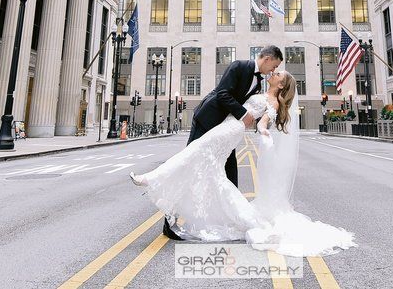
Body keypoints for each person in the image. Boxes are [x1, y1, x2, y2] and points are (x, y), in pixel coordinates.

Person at [130, 70, 355, 257]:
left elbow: (263, 123)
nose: (274, 73)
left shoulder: (273, 102)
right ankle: (245, 218)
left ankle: (149, 178)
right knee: (214, 174)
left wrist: (264, 131)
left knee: (193, 153)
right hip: (226, 127)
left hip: (230, 131)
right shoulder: (261, 92)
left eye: (279, 74)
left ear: (281, 85)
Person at [148, 46, 283, 240]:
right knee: (189, 167)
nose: (273, 70)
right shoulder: (239, 66)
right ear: (268, 58)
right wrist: (243, 115)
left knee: (230, 172)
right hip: (206, 121)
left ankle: (235, 219)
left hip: (224, 132)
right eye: (274, 65)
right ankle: (169, 222)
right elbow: (222, 94)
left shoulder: (258, 81)